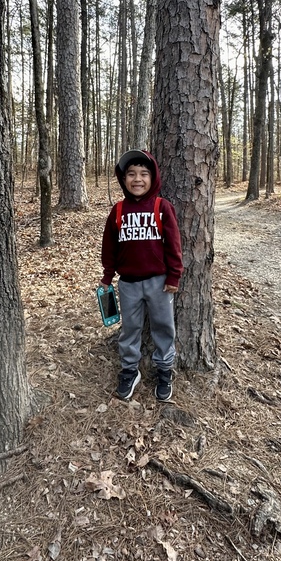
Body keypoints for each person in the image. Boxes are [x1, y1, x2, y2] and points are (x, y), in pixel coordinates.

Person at [99, 149, 183, 402]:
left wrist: (174, 276)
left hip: (160, 284)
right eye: (131, 174)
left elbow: (174, 244)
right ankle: (129, 370)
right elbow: (109, 246)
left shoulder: (161, 207)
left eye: (144, 174)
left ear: (153, 177)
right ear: (123, 179)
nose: (137, 179)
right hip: (128, 284)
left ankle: (165, 370)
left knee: (163, 327)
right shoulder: (118, 210)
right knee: (130, 329)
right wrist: (107, 275)